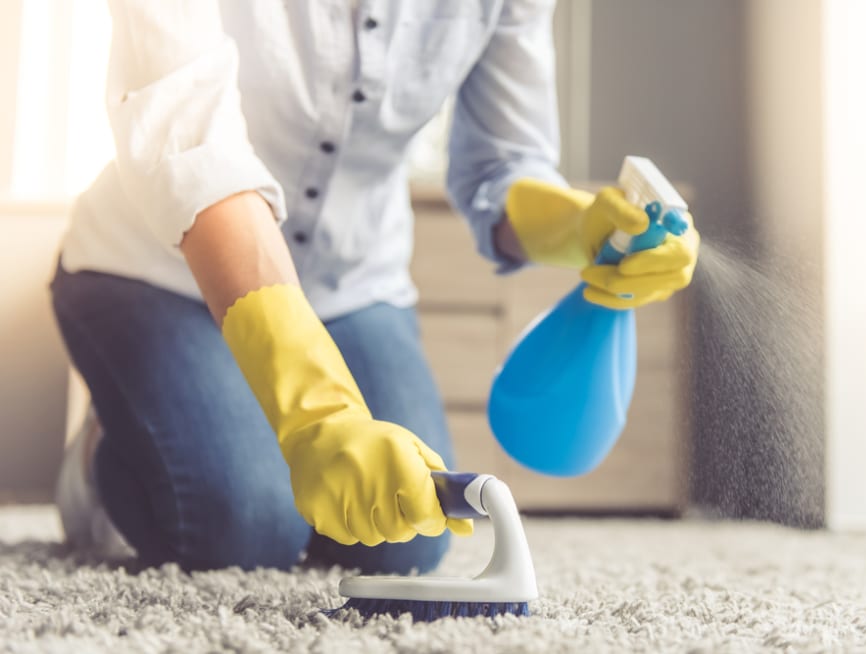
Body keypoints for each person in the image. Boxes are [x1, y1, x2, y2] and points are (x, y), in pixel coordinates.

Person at [51, 0, 699, 573]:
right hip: (154, 269)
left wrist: (582, 225)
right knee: (244, 526)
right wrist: (318, 413)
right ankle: (107, 451)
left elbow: (503, 165)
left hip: (350, 283)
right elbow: (189, 135)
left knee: (405, 532)